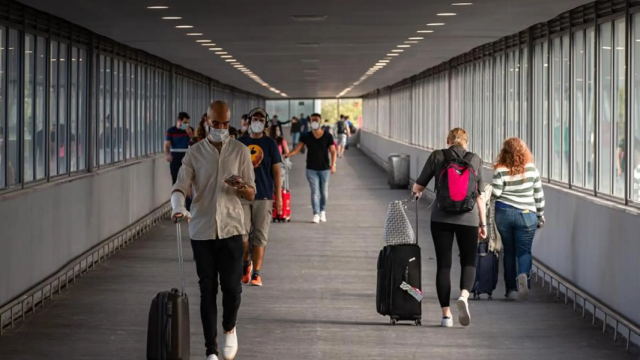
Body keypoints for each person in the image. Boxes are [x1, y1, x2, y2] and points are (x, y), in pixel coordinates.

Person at [171, 101, 255, 360]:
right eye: (216, 123)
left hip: (231, 228)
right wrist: (178, 207)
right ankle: (211, 350)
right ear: (207, 121)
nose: (220, 128)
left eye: (225, 124)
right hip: (202, 229)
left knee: (232, 288)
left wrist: (240, 186)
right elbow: (180, 186)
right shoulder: (194, 153)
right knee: (207, 289)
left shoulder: (240, 151)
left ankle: (229, 328)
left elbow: (252, 193)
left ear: (230, 123)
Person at [411, 128, 486, 328]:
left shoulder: (437, 156)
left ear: (448, 141)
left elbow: (419, 186)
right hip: (468, 219)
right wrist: (483, 223)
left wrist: (416, 192)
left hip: (441, 218)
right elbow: (480, 196)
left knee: (444, 266)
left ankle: (446, 316)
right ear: (466, 142)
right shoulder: (476, 160)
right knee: (469, 262)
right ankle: (464, 295)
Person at [492, 137, 545, 302]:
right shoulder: (532, 170)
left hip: (504, 213)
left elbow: (496, 193)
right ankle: (523, 275)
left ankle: (511, 290)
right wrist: (540, 216)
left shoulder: (500, 169)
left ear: (504, 152)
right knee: (524, 250)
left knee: (508, 251)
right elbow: (539, 196)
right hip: (527, 214)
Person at [238, 108, 283, 287]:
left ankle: (256, 273)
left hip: (263, 195)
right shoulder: (240, 143)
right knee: (242, 237)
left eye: (261, 119)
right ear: (249, 121)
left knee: (259, 237)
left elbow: (277, 171)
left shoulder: (270, 144)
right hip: (242, 195)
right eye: (255, 119)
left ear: (265, 123)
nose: (258, 122)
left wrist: (278, 196)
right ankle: (245, 264)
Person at [285, 113, 337, 224]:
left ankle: (323, 211)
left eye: (316, 120)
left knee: (324, 192)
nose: (314, 122)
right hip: (311, 169)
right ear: (310, 122)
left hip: (324, 169)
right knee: (315, 191)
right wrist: (289, 154)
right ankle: (316, 213)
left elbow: (333, 151)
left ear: (320, 121)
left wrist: (333, 164)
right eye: (312, 120)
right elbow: (297, 148)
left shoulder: (328, 136)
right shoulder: (306, 136)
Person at [165, 112, 194, 210]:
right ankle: (177, 206)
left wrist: (190, 133)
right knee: (176, 182)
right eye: (185, 122)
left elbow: (195, 141)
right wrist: (168, 154)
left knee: (189, 182)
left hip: (187, 156)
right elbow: (167, 145)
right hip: (175, 157)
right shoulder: (171, 131)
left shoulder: (190, 130)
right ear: (179, 121)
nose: (187, 124)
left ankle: (189, 206)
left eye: (188, 122)